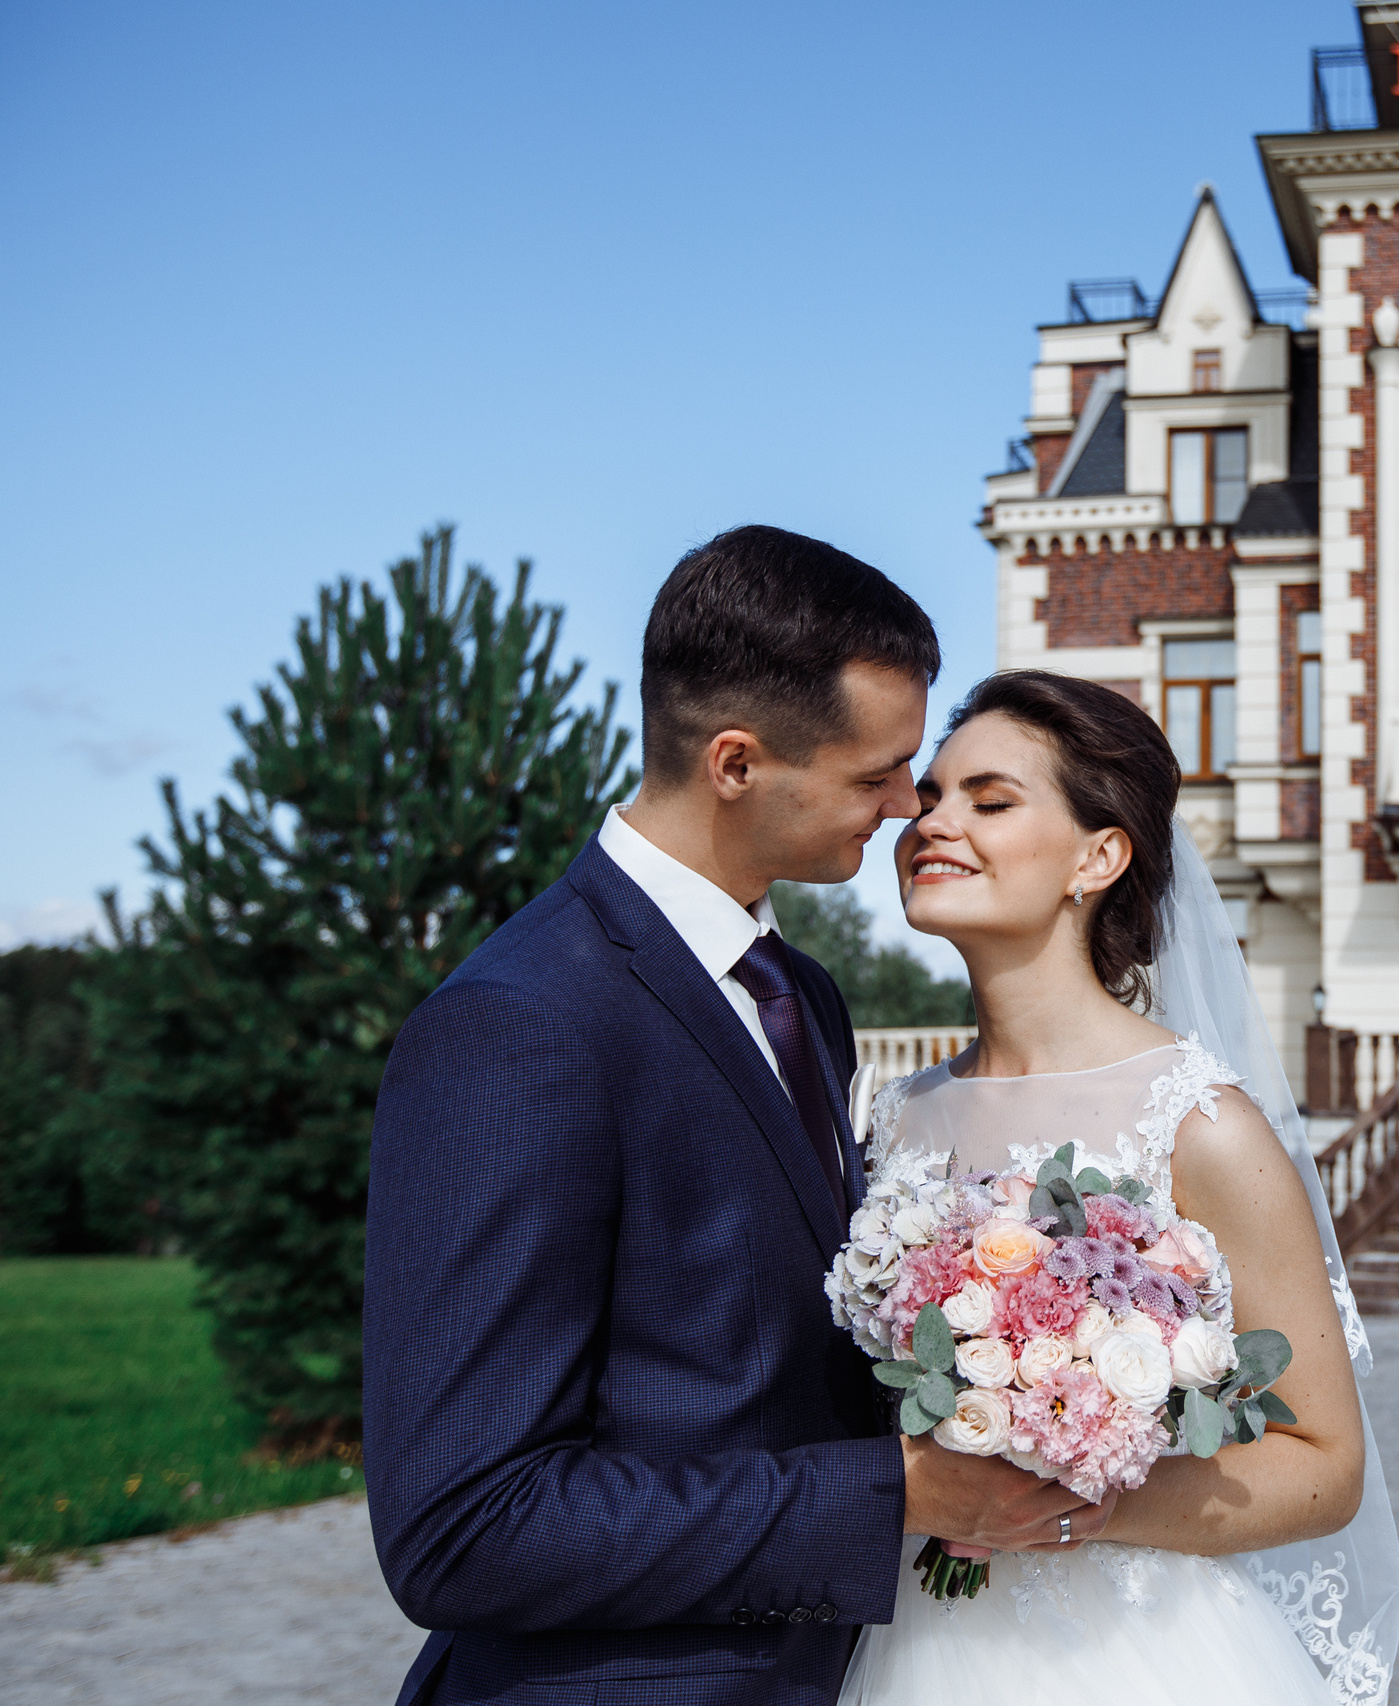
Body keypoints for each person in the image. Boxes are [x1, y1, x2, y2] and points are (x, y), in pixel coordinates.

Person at [365, 528, 1109, 1706]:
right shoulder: (519, 1027)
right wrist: (895, 1494)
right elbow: (462, 1524)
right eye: (878, 774)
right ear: (735, 762)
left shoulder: (801, 996)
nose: (909, 807)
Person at [839, 671, 1399, 1706]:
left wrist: (1074, 1497)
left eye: (989, 800)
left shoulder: (1201, 1123)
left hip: (1138, 1656)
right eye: (929, 795)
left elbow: (1325, 1463)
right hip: (922, 1642)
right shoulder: (893, 1117)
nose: (932, 822)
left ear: (1097, 857)